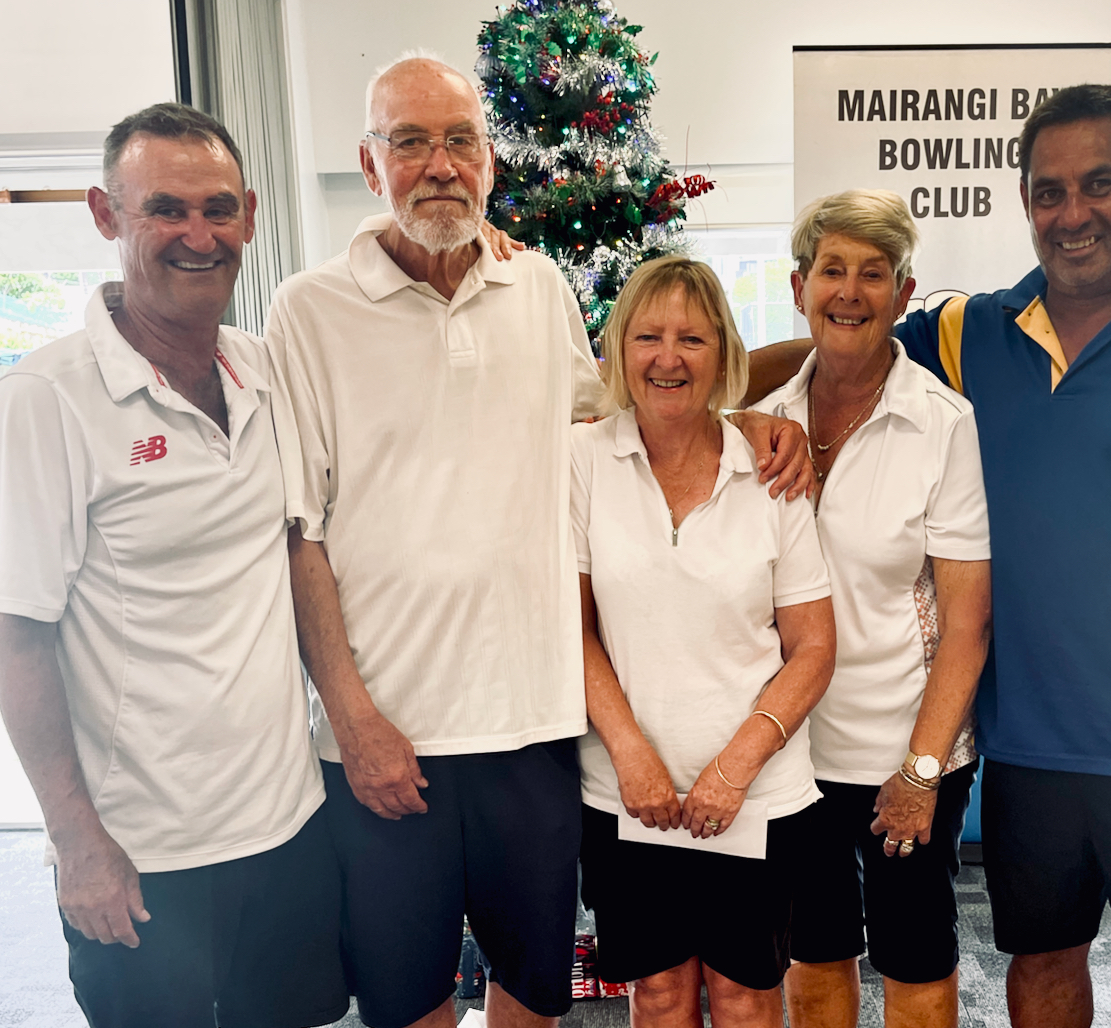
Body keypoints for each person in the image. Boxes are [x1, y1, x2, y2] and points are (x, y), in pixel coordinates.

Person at [265, 53, 808, 1028]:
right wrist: (349, 718)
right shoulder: (308, 309)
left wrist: (744, 421)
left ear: (490, 160)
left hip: (533, 728)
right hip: (390, 735)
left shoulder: (539, 285)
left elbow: (614, 419)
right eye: (410, 141)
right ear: (369, 160)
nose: (440, 163)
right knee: (407, 997)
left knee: (532, 993)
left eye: (460, 140)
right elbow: (301, 532)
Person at [747, 83, 1111, 1028]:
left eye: (1099, 184)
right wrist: (727, 405)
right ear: (1025, 201)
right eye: (1048, 192)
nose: (1073, 214)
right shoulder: (973, 332)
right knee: (1040, 971)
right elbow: (845, 342)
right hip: (1027, 744)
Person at [0, 103, 347, 1028]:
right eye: (166, 209)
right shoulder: (46, 399)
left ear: (251, 216)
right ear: (106, 215)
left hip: (286, 825)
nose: (199, 235)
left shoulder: (262, 370)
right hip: (143, 854)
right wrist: (76, 842)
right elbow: (18, 639)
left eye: (218, 208)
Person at [573, 255, 836, 1028]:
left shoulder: (771, 469)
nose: (669, 358)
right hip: (626, 791)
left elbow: (814, 648)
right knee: (657, 994)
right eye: (648, 337)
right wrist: (630, 755)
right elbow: (572, 627)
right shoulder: (583, 461)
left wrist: (734, 769)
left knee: (744, 996)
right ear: (619, 350)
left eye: (692, 338)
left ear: (723, 353)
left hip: (755, 791)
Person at [750, 191, 991, 1028]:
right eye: (831, 271)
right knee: (814, 953)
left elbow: (968, 623)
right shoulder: (761, 420)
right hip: (792, 750)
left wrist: (921, 773)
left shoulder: (941, 423)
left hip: (906, 748)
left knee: (915, 956)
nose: (849, 292)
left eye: (873, 273)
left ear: (904, 292)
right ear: (799, 287)